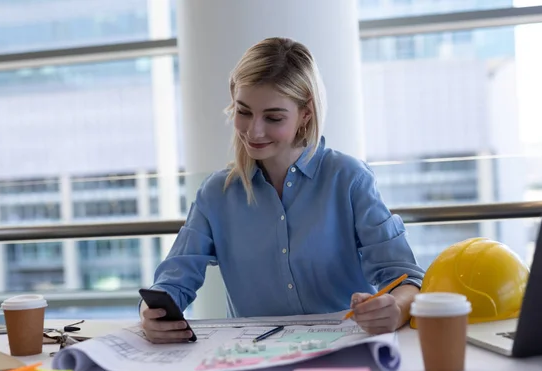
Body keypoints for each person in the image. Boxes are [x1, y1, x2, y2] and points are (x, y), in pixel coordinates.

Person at [141, 37, 425, 344]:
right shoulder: (216, 194)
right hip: (252, 360)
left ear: (306, 113)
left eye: (273, 117)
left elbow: (406, 277)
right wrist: (151, 313)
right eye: (244, 112)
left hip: (344, 351)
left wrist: (395, 307)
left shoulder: (348, 179)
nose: (254, 131)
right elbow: (173, 280)